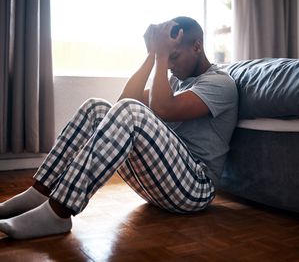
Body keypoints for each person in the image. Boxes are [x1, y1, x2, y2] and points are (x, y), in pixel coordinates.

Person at [0, 16, 238, 239]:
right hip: (162, 184)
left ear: (197, 47)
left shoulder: (219, 83)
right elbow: (126, 98)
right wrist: (153, 55)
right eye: (167, 58)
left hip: (195, 188)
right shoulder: (176, 80)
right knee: (97, 108)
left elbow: (164, 108)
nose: (169, 65)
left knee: (131, 112)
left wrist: (162, 57)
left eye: (174, 57)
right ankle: (38, 193)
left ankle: (57, 213)